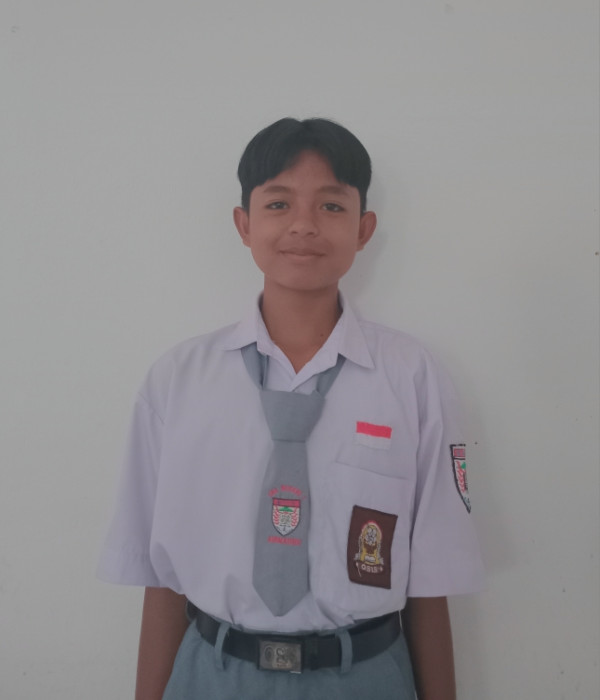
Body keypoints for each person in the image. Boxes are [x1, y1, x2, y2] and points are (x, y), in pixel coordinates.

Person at [97, 117, 484, 700]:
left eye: (331, 206)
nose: (304, 224)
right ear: (244, 224)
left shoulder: (411, 377)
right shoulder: (179, 380)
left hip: (364, 676)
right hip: (213, 674)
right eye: (279, 204)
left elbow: (430, 580)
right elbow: (163, 575)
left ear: (364, 229)